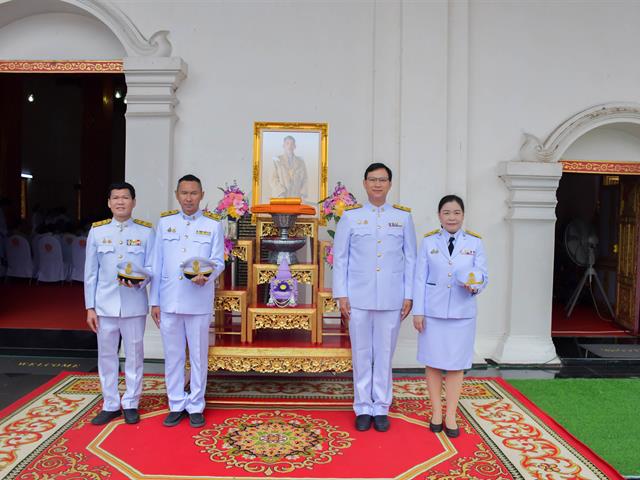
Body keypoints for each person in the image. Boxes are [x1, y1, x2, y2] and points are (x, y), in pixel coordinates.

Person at [332, 162, 416, 432]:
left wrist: (409, 295)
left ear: (390, 184)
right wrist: (341, 294)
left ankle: (380, 406)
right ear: (365, 183)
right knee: (361, 352)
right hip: (358, 296)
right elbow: (341, 258)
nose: (377, 184)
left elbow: (411, 259)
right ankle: (362, 407)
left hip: (391, 297)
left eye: (383, 179)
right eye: (372, 179)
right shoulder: (351, 217)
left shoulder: (402, 218)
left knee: (384, 353)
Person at [149, 174, 224, 428]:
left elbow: (218, 260)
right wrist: (154, 301)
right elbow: (157, 264)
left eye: (194, 193)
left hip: (199, 299)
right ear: (177, 194)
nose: (189, 198)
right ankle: (176, 402)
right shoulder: (165, 223)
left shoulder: (213, 225)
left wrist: (208, 275)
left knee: (200, 355)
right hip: (169, 300)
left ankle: (196, 405)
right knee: (173, 355)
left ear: (202, 195)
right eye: (184, 193)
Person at [412, 194, 488, 438]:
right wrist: (418, 312)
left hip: (462, 313)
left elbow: (483, 275)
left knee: (456, 365)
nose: (451, 217)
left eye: (456, 212)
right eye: (447, 212)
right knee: (433, 362)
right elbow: (419, 278)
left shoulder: (475, 243)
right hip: (432, 313)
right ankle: (436, 412)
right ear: (439, 216)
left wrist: (475, 286)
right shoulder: (428, 242)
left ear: (463, 215)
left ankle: (451, 414)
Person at [84, 182, 155, 425]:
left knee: (134, 354)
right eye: (115, 198)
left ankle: (131, 402)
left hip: (133, 303)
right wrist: (89, 307)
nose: (120, 202)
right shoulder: (98, 231)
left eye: (125, 197)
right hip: (104, 305)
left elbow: (152, 269)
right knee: (106, 355)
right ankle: (111, 403)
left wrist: (139, 281)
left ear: (134, 202)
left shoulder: (146, 232)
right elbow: (90, 273)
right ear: (109, 203)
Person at [270, 135, 309, 200]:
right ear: (283, 146)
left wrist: (303, 194)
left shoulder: (301, 162)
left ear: (295, 146)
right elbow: (273, 179)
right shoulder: (277, 161)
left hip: (296, 198)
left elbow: (305, 179)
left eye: (292, 144)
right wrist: (281, 192)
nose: (290, 146)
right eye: (287, 143)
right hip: (281, 197)